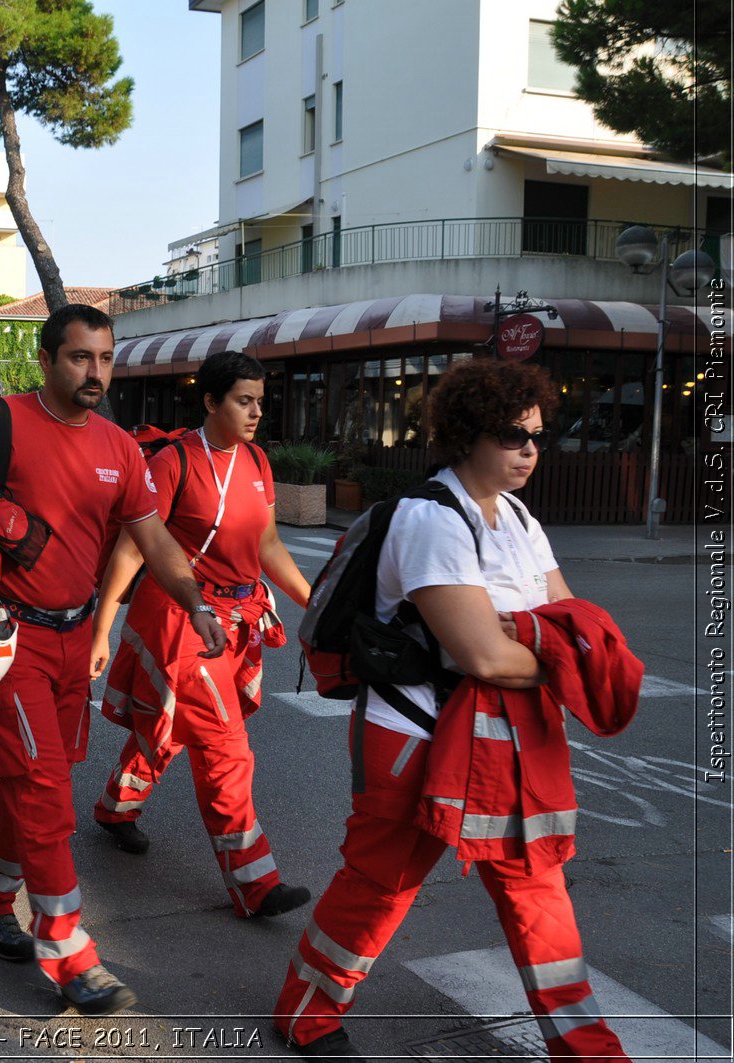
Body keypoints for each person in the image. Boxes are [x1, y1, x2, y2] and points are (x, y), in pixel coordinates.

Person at [272, 359, 627, 1061]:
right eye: (511, 434)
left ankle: (590, 1049)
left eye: (537, 435)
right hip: (415, 731)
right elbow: (483, 656)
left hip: (505, 739)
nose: (529, 449)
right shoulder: (431, 519)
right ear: (466, 434)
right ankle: (305, 1010)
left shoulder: (520, 518)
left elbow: (569, 622)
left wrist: (542, 641)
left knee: (538, 887)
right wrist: (550, 652)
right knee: (381, 882)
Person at [0, 304, 227, 1016]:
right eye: (80, 357)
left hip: (74, 639)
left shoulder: (121, 447)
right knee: (44, 792)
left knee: (31, 781)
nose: (95, 371)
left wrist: (193, 599)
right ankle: (70, 952)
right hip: (9, 638)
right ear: (45, 360)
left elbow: (154, 537)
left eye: (104, 358)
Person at [87, 351, 314, 920]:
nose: (257, 411)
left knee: (173, 727)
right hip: (183, 621)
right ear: (211, 401)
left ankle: (117, 807)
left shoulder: (258, 460)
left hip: (239, 622)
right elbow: (133, 547)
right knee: (225, 747)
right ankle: (255, 882)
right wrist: (102, 629)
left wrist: (318, 603)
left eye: (261, 400)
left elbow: (267, 547)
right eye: (244, 400)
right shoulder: (172, 462)